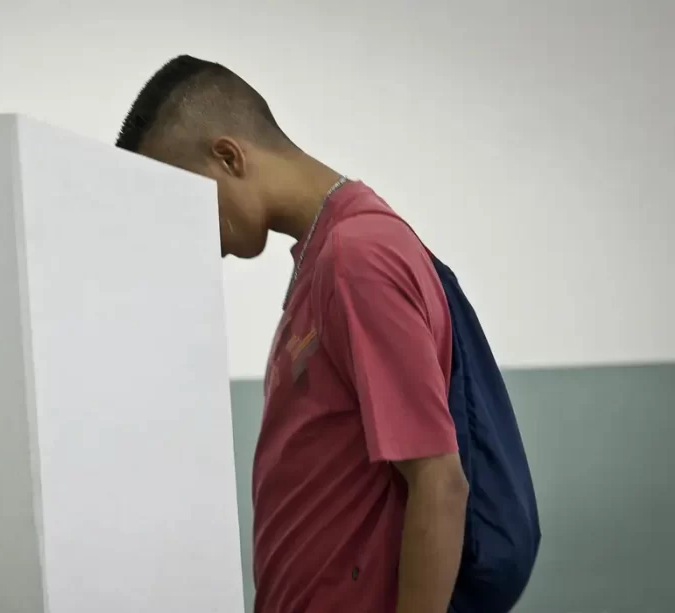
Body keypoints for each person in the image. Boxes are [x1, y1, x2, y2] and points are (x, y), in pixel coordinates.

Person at [116, 55, 469, 613]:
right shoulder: (324, 257)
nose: (184, 230)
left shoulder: (357, 259)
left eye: (183, 200)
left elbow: (440, 484)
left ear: (229, 156)